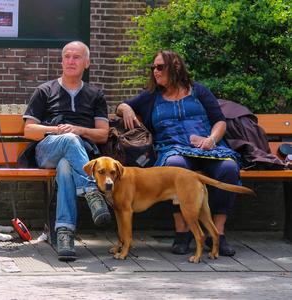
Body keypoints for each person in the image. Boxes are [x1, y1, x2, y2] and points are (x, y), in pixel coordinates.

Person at [116, 50, 241, 256]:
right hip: (173, 149)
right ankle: (182, 233)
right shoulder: (151, 96)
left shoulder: (199, 91)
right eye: (153, 67)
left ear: (175, 68)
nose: (155, 71)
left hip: (207, 149)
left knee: (229, 168)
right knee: (175, 167)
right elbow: (123, 105)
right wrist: (127, 109)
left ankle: (217, 233)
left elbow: (219, 120)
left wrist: (210, 140)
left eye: (160, 67)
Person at [23, 41, 111, 262]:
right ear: (62, 61)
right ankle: (91, 191)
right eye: (67, 56)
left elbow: (102, 135)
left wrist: (79, 129)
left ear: (87, 63)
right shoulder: (44, 90)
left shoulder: (95, 95)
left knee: (65, 166)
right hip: (47, 150)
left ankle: (64, 234)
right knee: (69, 140)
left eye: (77, 57)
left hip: (77, 155)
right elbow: (29, 130)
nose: (70, 61)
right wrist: (56, 130)